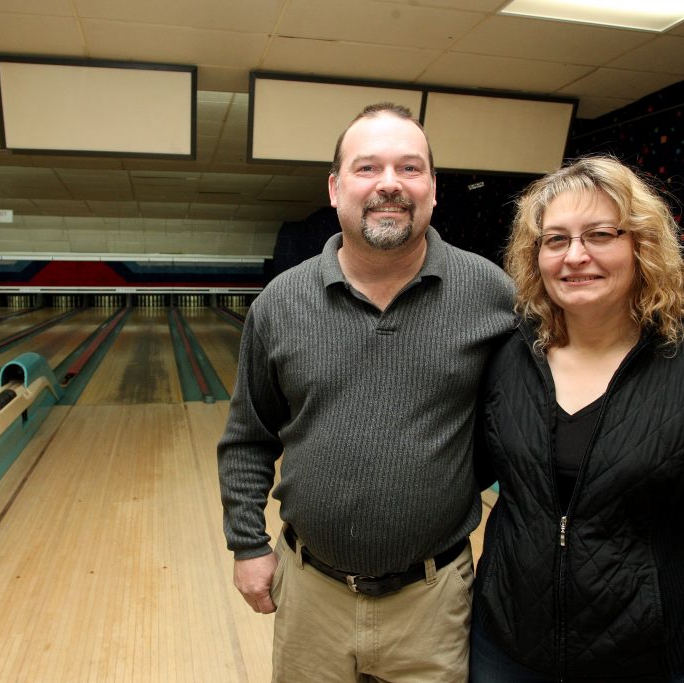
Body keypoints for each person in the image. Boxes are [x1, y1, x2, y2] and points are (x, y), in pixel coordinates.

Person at [217, 102, 515, 682]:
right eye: (367, 168)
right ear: (335, 188)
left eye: (409, 168)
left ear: (432, 188)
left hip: (433, 598)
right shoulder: (280, 303)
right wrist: (247, 543)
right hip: (311, 594)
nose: (389, 185)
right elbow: (247, 438)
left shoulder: (490, 294)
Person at [471, 155, 684, 682]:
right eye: (555, 240)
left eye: (599, 234)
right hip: (505, 652)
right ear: (535, 257)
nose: (576, 256)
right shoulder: (506, 362)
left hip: (649, 660)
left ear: (642, 245)